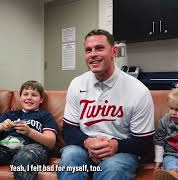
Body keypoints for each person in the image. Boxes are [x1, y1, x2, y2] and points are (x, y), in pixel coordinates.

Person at [57, 29, 155, 180]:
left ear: (114, 52)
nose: (93, 54)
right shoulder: (77, 84)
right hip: (83, 147)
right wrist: (87, 142)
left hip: (121, 152)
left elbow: (144, 142)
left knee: (112, 169)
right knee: (70, 156)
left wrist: (116, 145)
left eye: (99, 48)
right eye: (88, 50)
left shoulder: (139, 91)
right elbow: (69, 130)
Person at [0, 80, 57, 180]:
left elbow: (51, 142)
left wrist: (30, 132)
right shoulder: (10, 114)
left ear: (41, 99)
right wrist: (2, 126)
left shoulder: (45, 116)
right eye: (25, 94)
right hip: (6, 147)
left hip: (32, 149)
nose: (29, 97)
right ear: (20, 98)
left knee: (24, 158)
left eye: (34, 95)